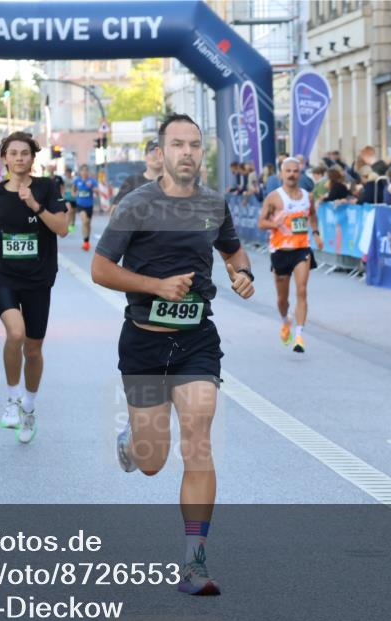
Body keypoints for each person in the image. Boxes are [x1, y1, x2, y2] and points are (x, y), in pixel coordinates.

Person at [92, 113, 254, 596]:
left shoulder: (213, 204)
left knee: (199, 437)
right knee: (151, 462)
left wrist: (242, 273)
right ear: (160, 153)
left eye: (194, 145)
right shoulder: (136, 205)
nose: (187, 152)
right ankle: (132, 439)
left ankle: (194, 561)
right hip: (144, 341)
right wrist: (156, 286)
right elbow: (101, 268)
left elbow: (233, 251)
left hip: (196, 341)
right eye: (177, 144)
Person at [0, 132, 68, 444]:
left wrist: (34, 205)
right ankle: (12, 399)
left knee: (33, 349)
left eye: (25, 153)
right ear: (4, 158)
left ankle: (29, 407)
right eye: (13, 153)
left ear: (32, 158)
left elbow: (62, 228)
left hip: (39, 279)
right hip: (6, 276)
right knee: (15, 334)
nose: (19, 158)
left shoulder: (47, 187)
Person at [258, 156, 322, 352]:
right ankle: (286, 320)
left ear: (300, 173)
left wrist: (316, 233)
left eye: (295, 171)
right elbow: (261, 223)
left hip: (302, 249)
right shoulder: (274, 197)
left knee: (302, 290)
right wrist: (274, 223)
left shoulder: (307, 196)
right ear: (281, 174)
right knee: (282, 299)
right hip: (280, 251)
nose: (292, 174)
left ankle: (299, 336)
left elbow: (312, 215)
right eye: (288, 171)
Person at [113, 139, 163, 206]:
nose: (157, 155)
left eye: (161, 152)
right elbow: (115, 208)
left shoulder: (172, 182)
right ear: (145, 156)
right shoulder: (132, 181)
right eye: (153, 151)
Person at [72, 164, 100, 251]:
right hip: (80, 204)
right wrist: (75, 195)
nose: (84, 172)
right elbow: (73, 190)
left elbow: (97, 192)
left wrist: (91, 187)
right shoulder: (77, 180)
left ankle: (87, 241)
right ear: (80, 172)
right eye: (83, 170)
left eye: (86, 170)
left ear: (88, 172)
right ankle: (85, 242)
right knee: (84, 221)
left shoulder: (92, 181)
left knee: (88, 224)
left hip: (89, 205)